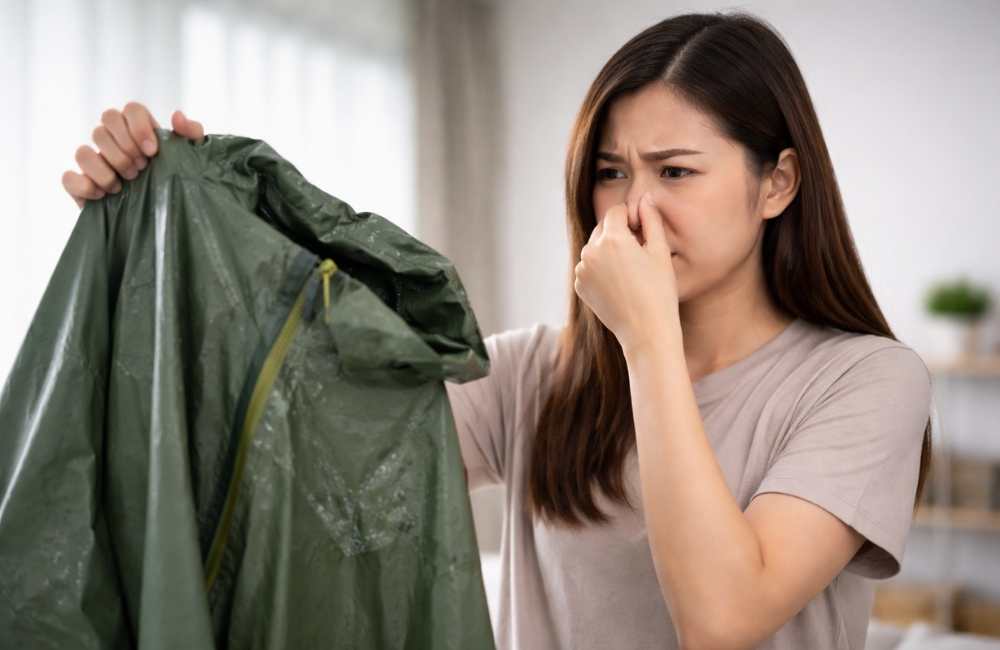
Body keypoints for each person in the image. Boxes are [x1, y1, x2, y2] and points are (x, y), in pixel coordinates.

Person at [62, 10, 934, 650]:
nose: (633, 209)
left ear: (777, 184)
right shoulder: (530, 375)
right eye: (610, 172)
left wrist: (645, 339)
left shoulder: (867, 381)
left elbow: (723, 616)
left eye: (675, 172)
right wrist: (184, 212)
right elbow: (290, 457)